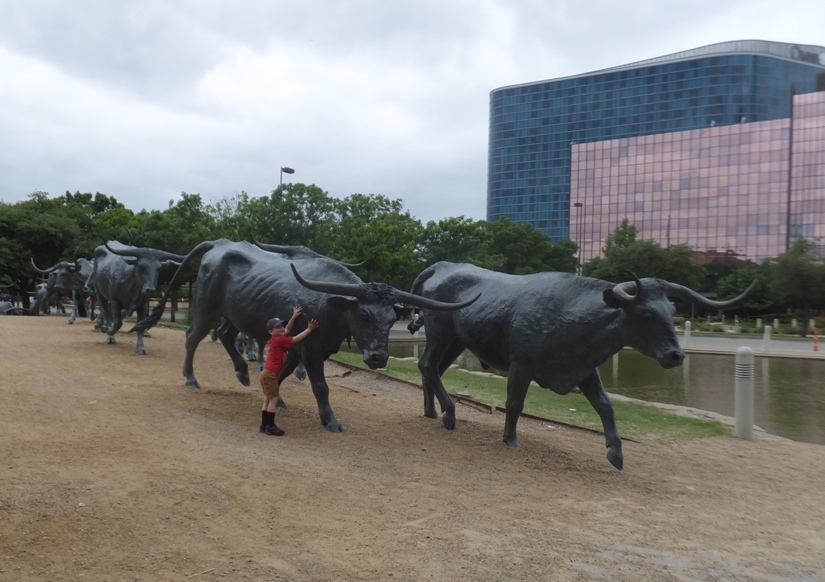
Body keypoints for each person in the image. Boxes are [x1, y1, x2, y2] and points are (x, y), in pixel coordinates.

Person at [259, 306, 319, 436]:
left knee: (267, 399)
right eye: (277, 327)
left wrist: (293, 316)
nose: (281, 328)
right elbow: (296, 339)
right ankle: (270, 427)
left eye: (281, 326)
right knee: (273, 400)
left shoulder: (275, 338)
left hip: (266, 373)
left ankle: (264, 425)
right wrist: (309, 329)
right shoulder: (279, 339)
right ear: (271, 331)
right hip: (270, 374)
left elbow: (287, 329)